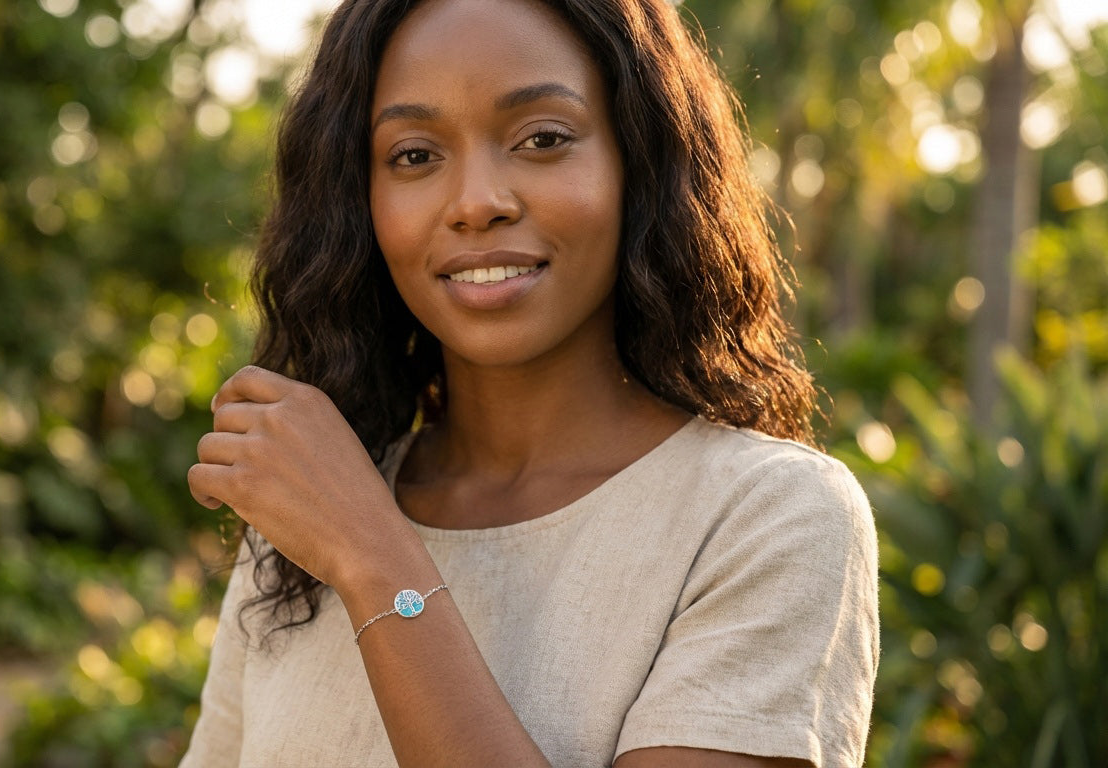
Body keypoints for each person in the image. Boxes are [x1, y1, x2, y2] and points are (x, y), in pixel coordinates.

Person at [180, 0, 879, 765]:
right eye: (414, 155)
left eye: (543, 139)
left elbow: (366, 553)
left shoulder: (766, 516)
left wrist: (374, 561)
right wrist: (350, 523)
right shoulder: (314, 507)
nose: (477, 202)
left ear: (639, 162)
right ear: (359, 200)